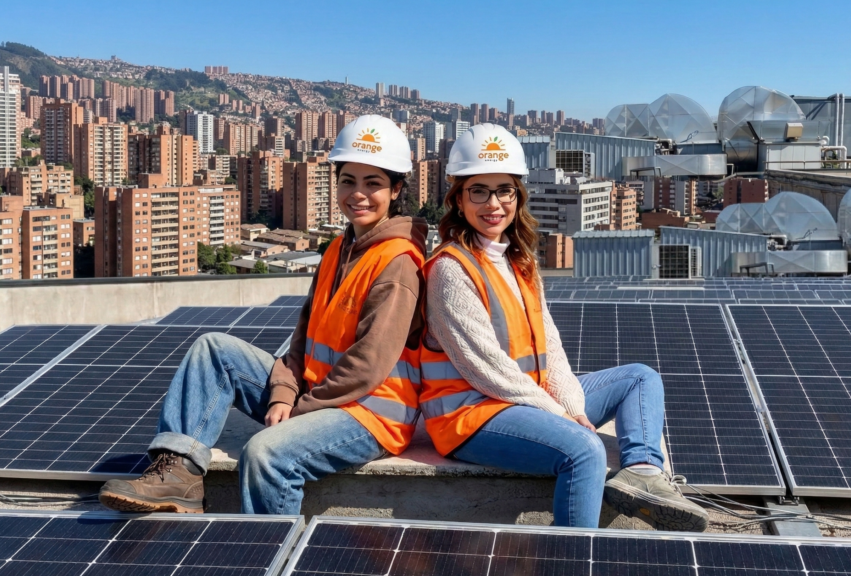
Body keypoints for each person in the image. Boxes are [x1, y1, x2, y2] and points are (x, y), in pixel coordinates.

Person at [98, 115, 427, 515]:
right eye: (348, 180)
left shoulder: (398, 264)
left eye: (373, 183)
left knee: (266, 454)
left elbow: (367, 367)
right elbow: (302, 342)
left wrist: (299, 411)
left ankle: (269, 557)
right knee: (213, 350)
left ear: (396, 190)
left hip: (371, 415)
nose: (358, 194)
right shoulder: (338, 251)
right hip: (322, 396)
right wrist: (287, 391)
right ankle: (178, 475)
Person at [418, 123, 708, 531]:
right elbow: (487, 368)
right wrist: (561, 416)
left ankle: (642, 475)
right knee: (585, 451)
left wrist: (571, 404)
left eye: (504, 190)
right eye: (478, 191)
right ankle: (572, 556)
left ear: (518, 196)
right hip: (471, 414)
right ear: (458, 200)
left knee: (639, 379)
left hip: (527, 399)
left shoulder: (520, 260)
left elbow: (549, 347)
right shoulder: (451, 270)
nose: (493, 203)